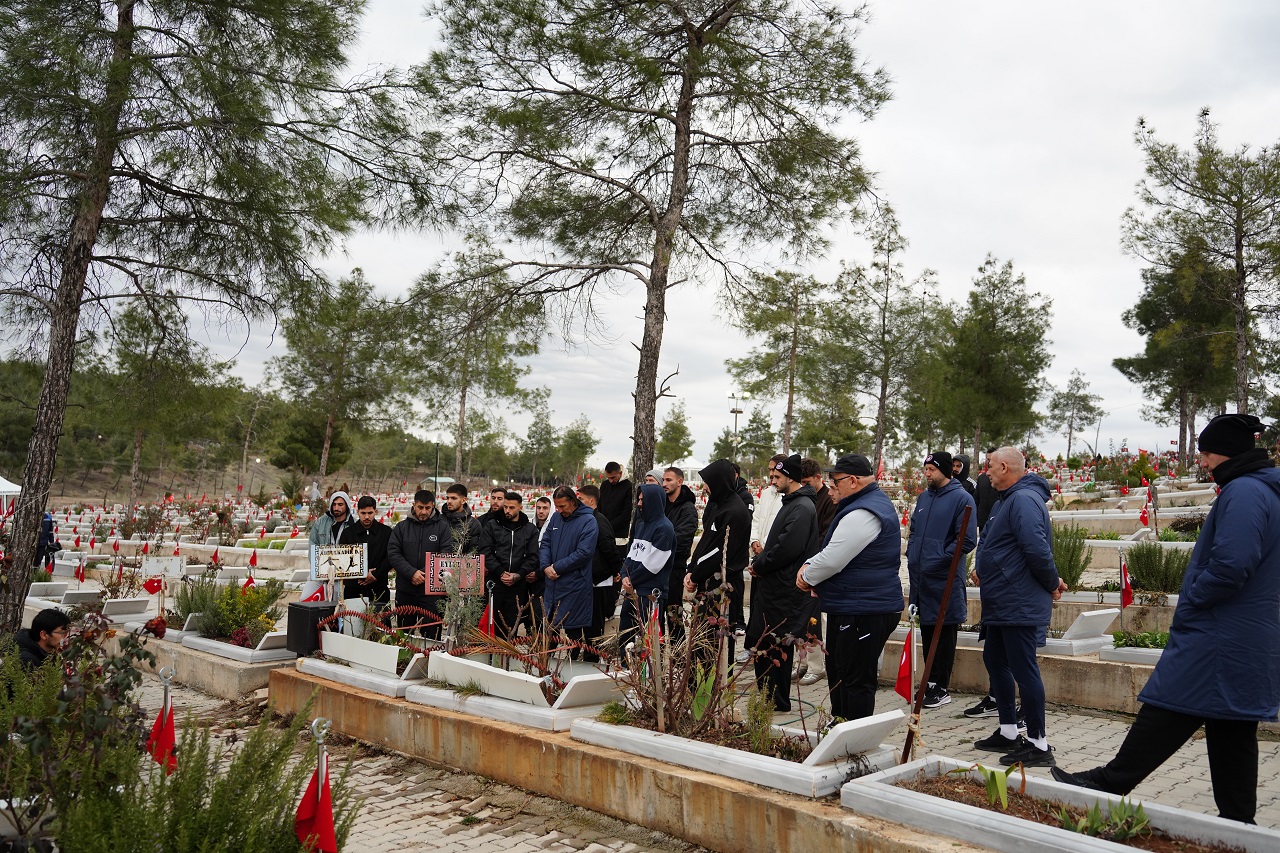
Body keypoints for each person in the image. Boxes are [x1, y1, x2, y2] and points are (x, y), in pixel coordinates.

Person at [1053, 414, 1280, 824]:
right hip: (1243, 633)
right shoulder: (1262, 490)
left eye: (1207, 453)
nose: (1205, 463)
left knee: (1171, 704)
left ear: (1226, 452)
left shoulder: (1245, 492)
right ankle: (1239, 824)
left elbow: (1232, 565)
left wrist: (1193, 599)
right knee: (1231, 727)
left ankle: (1109, 782)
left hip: (1220, 632)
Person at [970, 447, 1067, 767]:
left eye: (988, 467)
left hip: (1018, 600)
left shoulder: (1023, 500)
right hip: (1002, 600)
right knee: (994, 658)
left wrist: (1053, 583)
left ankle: (1039, 745)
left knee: (1024, 668)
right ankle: (1009, 731)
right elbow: (1001, 545)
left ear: (1003, 466)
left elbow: (1036, 549)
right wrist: (982, 567)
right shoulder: (1006, 500)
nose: (984, 472)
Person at [796, 454, 903, 722]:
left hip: (864, 608)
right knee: (840, 670)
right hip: (854, 604)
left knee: (855, 677)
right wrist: (812, 564)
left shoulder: (864, 511)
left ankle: (853, 739)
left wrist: (808, 575)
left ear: (853, 481)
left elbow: (834, 557)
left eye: (835, 483)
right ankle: (840, 724)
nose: (832, 489)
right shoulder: (863, 505)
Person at [747, 454, 820, 712]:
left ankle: (777, 701)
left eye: (777, 477)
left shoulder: (801, 507)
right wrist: (760, 561)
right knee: (763, 642)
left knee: (776, 646)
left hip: (784, 589)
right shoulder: (791, 503)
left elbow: (786, 549)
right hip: (773, 587)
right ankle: (767, 697)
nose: (772, 480)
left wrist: (760, 565)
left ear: (790, 477)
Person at [905, 451, 977, 709]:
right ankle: (929, 680)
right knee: (927, 627)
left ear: (945, 471)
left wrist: (937, 559)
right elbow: (914, 529)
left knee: (944, 629)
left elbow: (966, 540)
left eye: (931, 470)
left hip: (943, 577)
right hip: (921, 577)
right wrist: (912, 553)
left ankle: (940, 686)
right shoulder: (924, 497)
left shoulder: (962, 498)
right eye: (925, 469)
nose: (927, 474)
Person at [686, 459, 751, 660]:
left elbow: (718, 552)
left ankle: (718, 689)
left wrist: (695, 575)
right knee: (702, 646)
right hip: (709, 583)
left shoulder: (734, 511)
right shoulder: (719, 506)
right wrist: (692, 568)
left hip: (724, 586)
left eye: (707, 482)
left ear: (719, 482)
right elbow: (706, 540)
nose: (704, 487)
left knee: (718, 649)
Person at [539, 486, 599, 655]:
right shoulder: (556, 518)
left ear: (573, 502)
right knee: (549, 632)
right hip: (553, 585)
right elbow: (545, 543)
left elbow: (584, 553)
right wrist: (545, 566)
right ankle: (545, 667)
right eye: (556, 507)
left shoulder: (588, 521)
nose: (559, 510)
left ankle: (572, 669)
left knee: (573, 633)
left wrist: (557, 567)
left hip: (574, 585)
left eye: (563, 506)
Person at [387, 489, 454, 637]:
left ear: (433, 506)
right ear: (414, 505)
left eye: (427, 508)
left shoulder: (442, 528)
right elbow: (393, 553)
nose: (423, 512)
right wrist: (411, 573)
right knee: (404, 633)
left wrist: (424, 573)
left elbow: (445, 553)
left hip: (432, 593)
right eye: (420, 507)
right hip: (406, 589)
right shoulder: (401, 528)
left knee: (431, 634)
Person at [619, 483, 675, 648]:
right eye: (639, 499)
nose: (639, 503)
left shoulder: (664, 528)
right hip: (633, 590)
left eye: (643, 500)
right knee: (626, 636)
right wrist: (624, 574)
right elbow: (632, 553)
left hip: (650, 594)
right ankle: (626, 668)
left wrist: (631, 579)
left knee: (647, 642)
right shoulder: (641, 524)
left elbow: (654, 564)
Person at [796, 458, 837, 686]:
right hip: (802, 565)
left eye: (807, 482)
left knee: (813, 619)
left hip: (816, 565)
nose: (804, 486)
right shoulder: (803, 498)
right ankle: (802, 661)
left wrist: (811, 560)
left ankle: (816, 666)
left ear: (818, 478)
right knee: (799, 617)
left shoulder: (828, 501)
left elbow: (825, 535)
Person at [477, 490, 539, 640]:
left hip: (517, 585)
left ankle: (506, 657)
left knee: (511, 625)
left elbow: (533, 556)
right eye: (505, 507)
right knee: (491, 625)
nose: (507, 511)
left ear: (520, 507)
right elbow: (485, 551)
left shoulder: (529, 529)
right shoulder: (492, 526)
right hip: (495, 583)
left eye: (511, 508)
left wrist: (518, 575)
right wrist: (500, 572)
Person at [577, 484, 623, 660]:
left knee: (594, 624)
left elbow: (609, 548)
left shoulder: (598, 521)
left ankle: (592, 658)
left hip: (599, 580)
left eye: (580, 499)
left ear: (591, 500)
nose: (577, 502)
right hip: (589, 578)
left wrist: (615, 569)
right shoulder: (588, 519)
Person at [338, 496, 392, 609]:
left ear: (375, 511)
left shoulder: (386, 532)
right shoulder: (348, 533)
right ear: (357, 512)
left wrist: (375, 574)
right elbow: (343, 558)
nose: (366, 517)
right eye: (363, 513)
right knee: (354, 623)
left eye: (370, 513)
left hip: (379, 588)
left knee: (380, 623)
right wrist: (361, 574)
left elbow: (391, 556)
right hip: (354, 588)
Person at [662, 467, 698, 625]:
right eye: (663, 480)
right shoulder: (662, 504)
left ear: (680, 482)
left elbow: (682, 539)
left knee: (674, 617)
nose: (664, 483)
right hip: (657, 568)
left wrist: (658, 544)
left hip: (675, 568)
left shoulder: (688, 508)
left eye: (669, 480)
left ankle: (680, 648)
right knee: (656, 619)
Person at [598, 462, 634, 542]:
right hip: (602, 532)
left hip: (619, 535)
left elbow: (626, 513)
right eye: (608, 478)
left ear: (620, 473)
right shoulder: (604, 485)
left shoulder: (629, 487)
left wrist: (607, 527)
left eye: (613, 477)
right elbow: (599, 505)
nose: (611, 481)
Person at [442, 484, 483, 552]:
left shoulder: (473, 525)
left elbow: (474, 552)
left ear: (463, 500)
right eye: (448, 498)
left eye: (453, 498)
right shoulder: (438, 520)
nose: (449, 501)